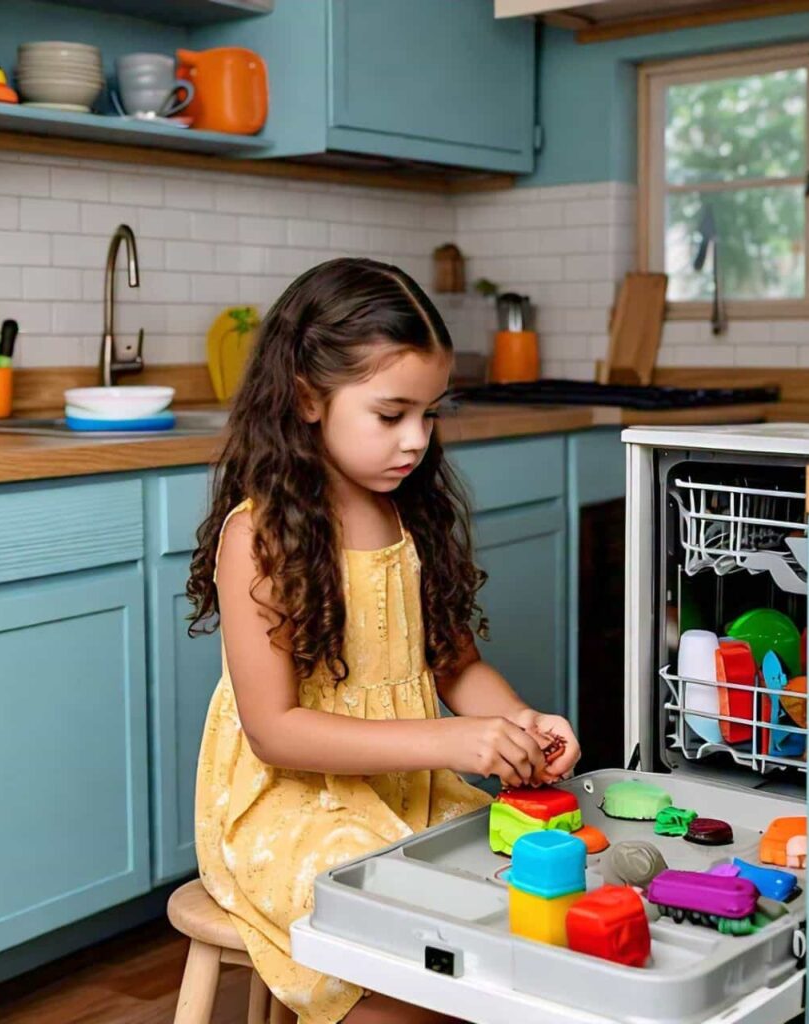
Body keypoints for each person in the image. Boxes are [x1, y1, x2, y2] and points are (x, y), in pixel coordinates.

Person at [188, 258, 580, 1024]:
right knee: (401, 938)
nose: (416, 441)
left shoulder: (411, 513)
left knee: (509, 914)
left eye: (430, 415)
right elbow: (275, 732)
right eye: (391, 414)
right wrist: (455, 742)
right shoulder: (259, 536)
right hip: (289, 807)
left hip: (404, 789)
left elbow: (457, 666)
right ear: (307, 398)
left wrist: (517, 723)